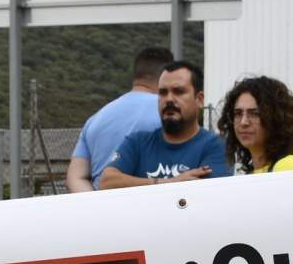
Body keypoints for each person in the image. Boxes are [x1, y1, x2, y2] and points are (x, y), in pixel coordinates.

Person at [99, 60, 231, 189]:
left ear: (199, 100)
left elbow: (206, 194)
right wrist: (168, 182)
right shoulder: (137, 142)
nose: (169, 99)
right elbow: (106, 182)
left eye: (178, 91)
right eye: (163, 93)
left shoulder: (216, 146)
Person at [67, 45, 171, 191]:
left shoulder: (95, 119)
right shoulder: (171, 114)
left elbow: (76, 176)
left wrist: (96, 206)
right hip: (154, 203)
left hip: (104, 207)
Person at [217, 76, 293, 174]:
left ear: (276, 118)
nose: (243, 122)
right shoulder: (250, 172)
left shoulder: (289, 165)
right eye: (238, 113)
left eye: (255, 113)